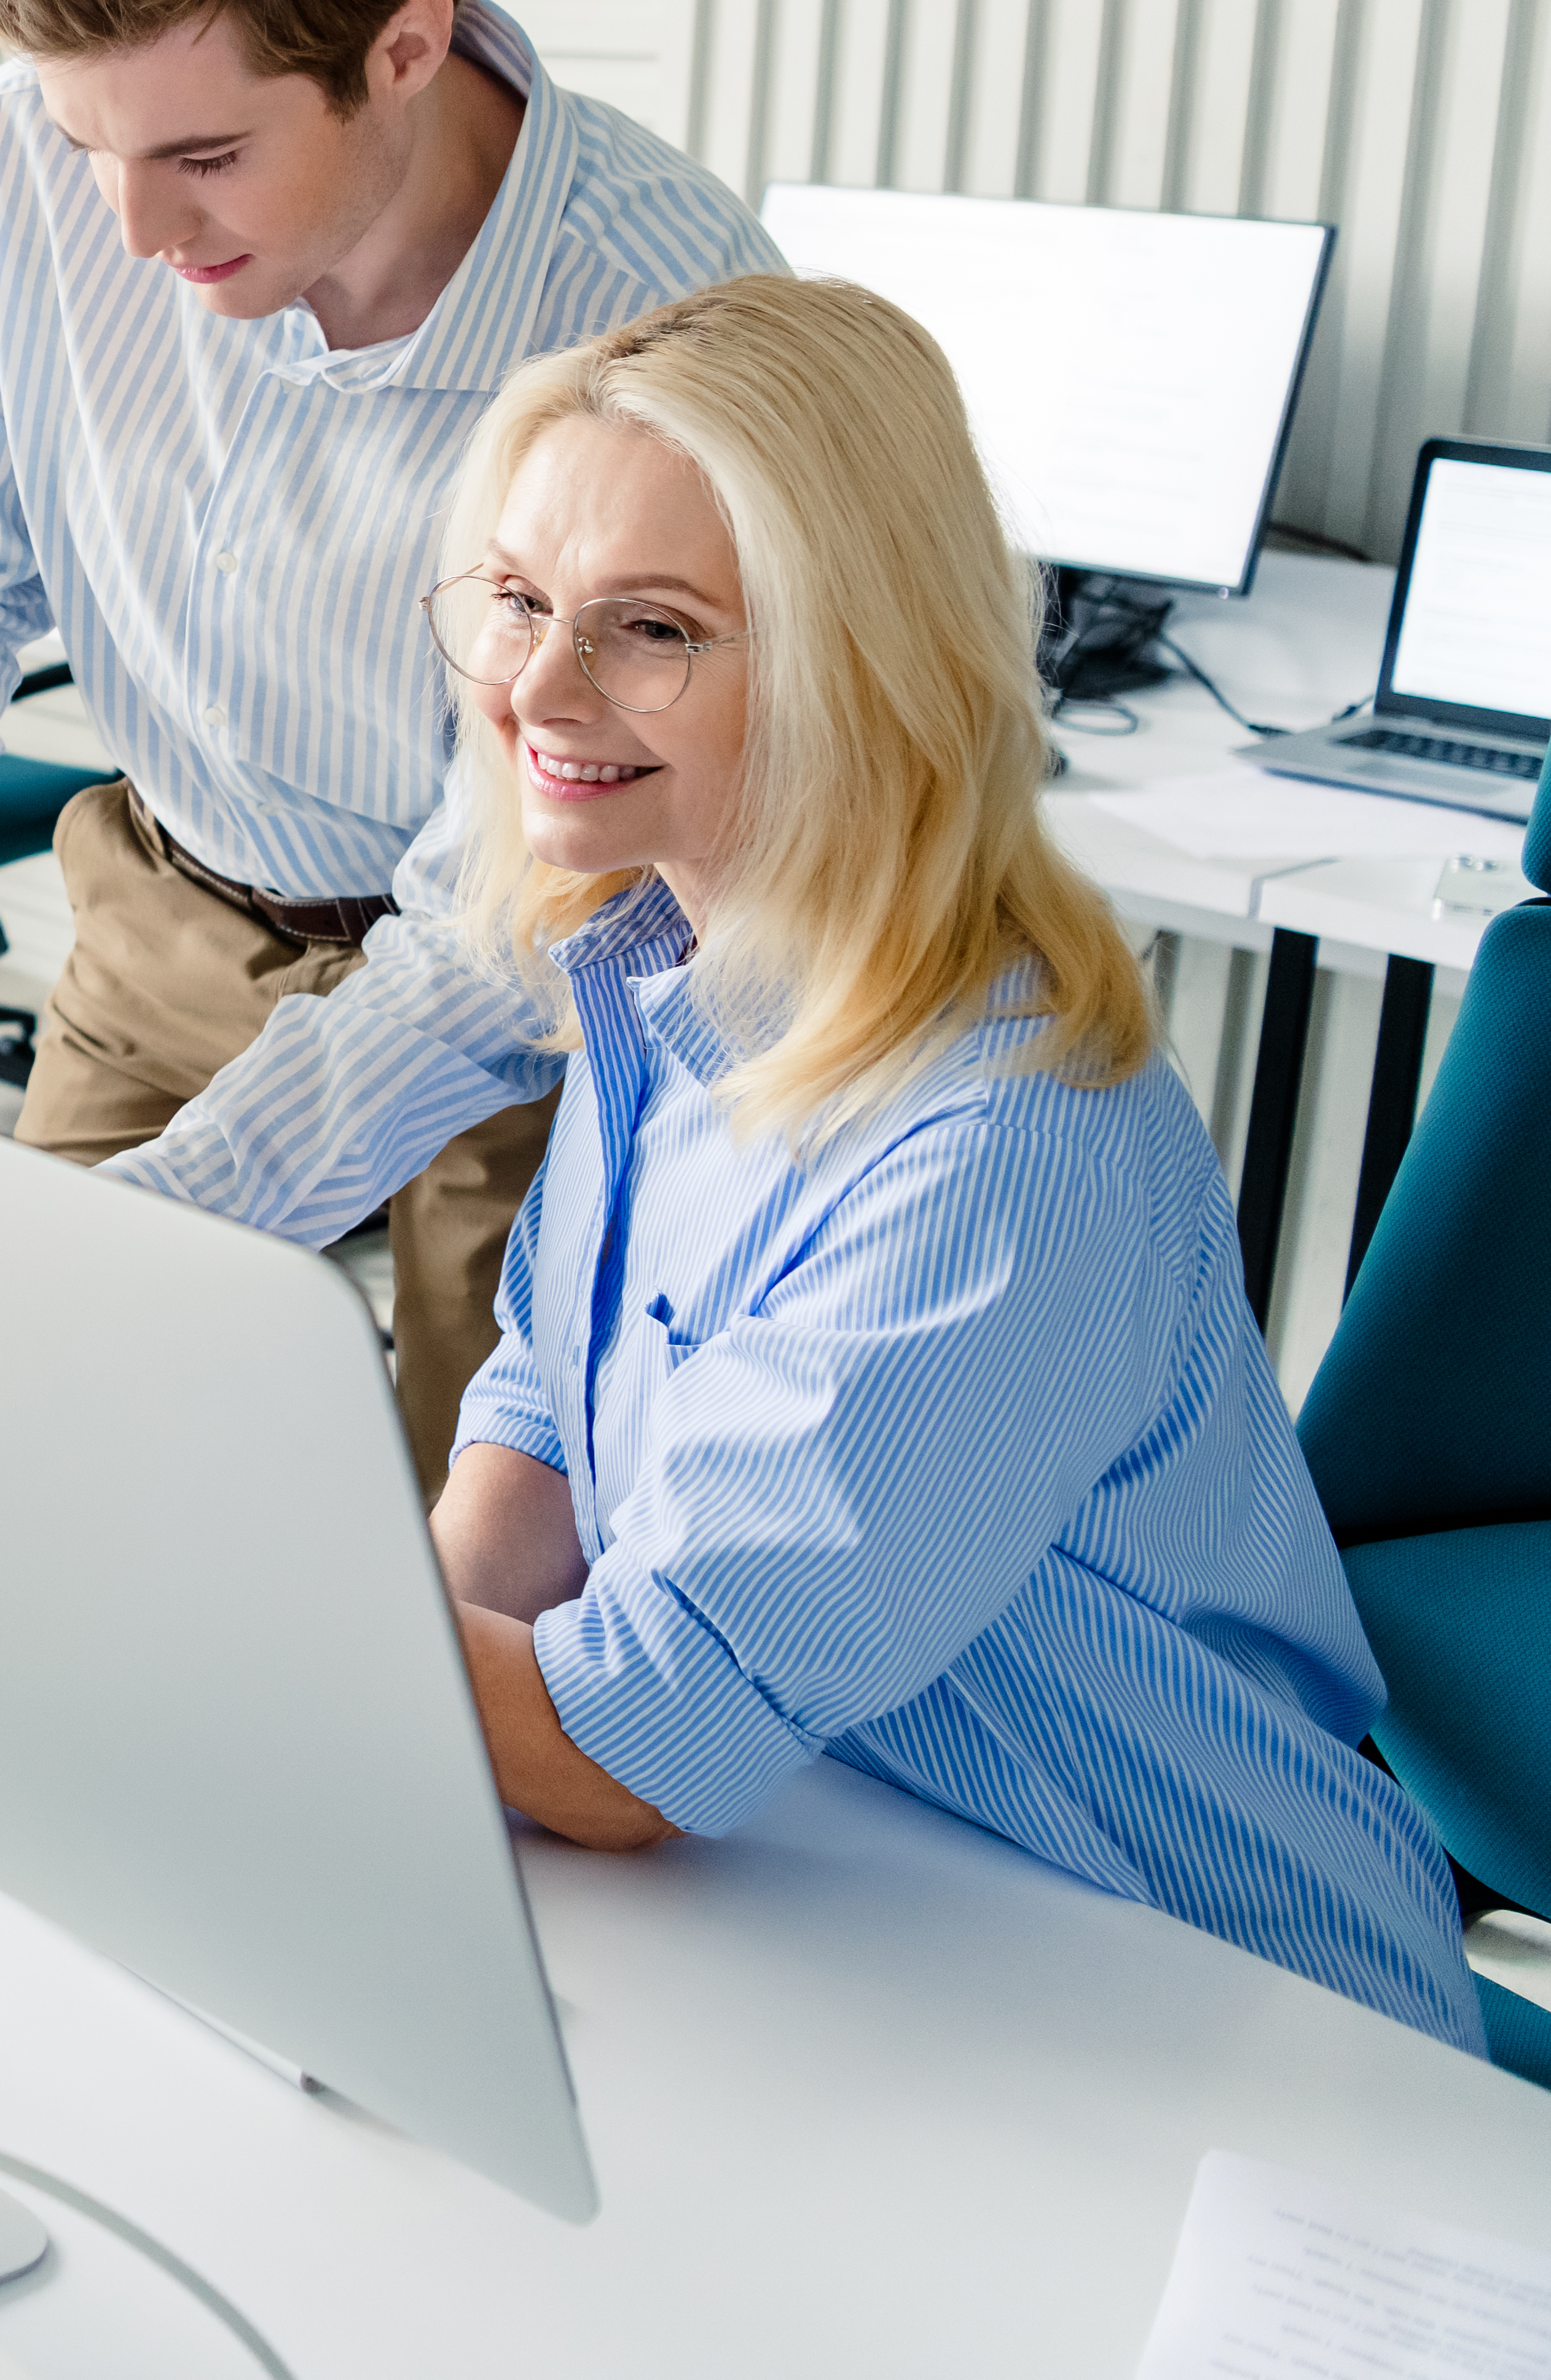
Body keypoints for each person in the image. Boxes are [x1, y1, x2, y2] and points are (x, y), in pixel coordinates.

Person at [417, 274, 1483, 2052]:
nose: (538, 683)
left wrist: (298, 1631)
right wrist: (418, 1644)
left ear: (862, 664)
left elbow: (637, 1738)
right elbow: (545, 1401)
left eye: (651, 627)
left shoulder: (1005, 1144)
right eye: (520, 600)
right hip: (862, 1875)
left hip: (1203, 1993)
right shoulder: (658, 973)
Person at [0, 0, 786, 1480]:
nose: (133, 229)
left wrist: (163, 1220)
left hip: (539, 1012)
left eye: (204, 158)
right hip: (168, 901)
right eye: (93, 147)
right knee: (16, 1461)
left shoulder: (662, 310)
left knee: (480, 1621)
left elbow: (499, 928)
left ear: (406, 46)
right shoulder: (32, 159)